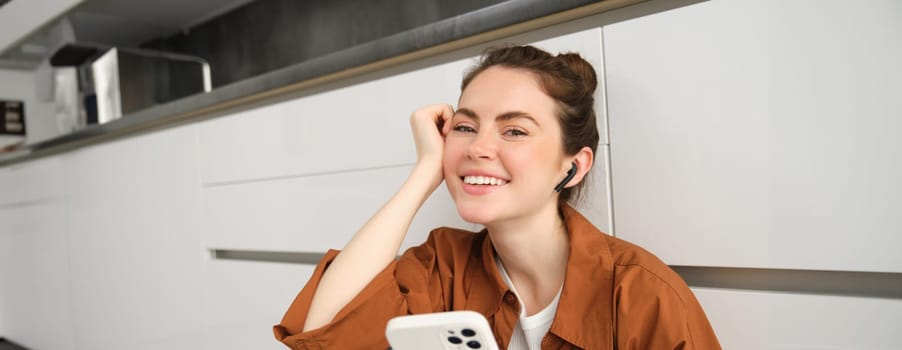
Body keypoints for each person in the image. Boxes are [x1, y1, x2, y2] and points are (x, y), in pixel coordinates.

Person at [274, 45, 721, 349]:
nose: (477, 148)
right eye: (466, 127)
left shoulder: (642, 295)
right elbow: (324, 334)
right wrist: (426, 171)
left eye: (515, 130)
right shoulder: (441, 267)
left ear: (573, 166)